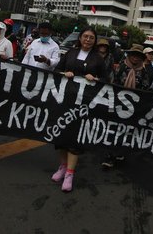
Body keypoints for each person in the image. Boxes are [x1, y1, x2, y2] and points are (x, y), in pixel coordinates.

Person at [52, 27, 106, 192]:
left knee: (74, 136)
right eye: (85, 36)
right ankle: (62, 166)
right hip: (66, 99)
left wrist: (95, 79)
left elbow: (106, 79)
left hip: (84, 104)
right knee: (61, 135)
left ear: (94, 41)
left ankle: (70, 173)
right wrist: (64, 73)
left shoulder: (98, 59)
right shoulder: (70, 53)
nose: (88, 40)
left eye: (91, 38)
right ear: (80, 38)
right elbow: (56, 71)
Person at [101, 44, 153, 169]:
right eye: (133, 55)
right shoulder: (119, 67)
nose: (135, 58)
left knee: (126, 131)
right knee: (113, 130)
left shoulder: (144, 72)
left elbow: (146, 89)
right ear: (129, 55)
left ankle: (120, 153)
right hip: (117, 104)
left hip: (134, 108)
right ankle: (109, 156)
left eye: (138, 56)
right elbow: (111, 83)